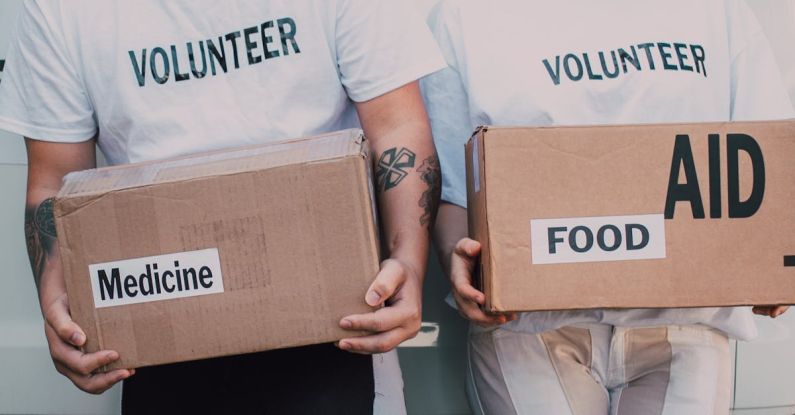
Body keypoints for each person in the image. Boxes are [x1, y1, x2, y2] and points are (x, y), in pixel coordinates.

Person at [0, 1, 445, 413]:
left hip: (339, 322)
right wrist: (57, 299)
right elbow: (56, 181)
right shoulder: (59, 9)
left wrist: (408, 261)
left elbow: (397, 126)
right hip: (161, 316)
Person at [421, 1, 794, 414]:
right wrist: (456, 259)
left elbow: (767, 158)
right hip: (528, 329)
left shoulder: (718, 11)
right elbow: (452, 183)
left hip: (686, 325)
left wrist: (771, 263)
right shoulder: (464, 16)